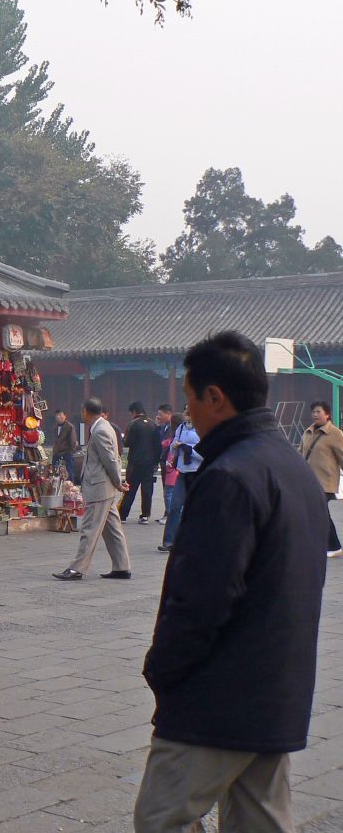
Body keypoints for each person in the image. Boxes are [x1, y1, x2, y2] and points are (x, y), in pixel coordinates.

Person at [134, 331, 329, 832]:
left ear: (215, 397)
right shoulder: (291, 467)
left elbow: (201, 598)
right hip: (277, 690)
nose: (188, 414)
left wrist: (164, 668)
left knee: (163, 818)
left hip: (217, 698)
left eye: (190, 399)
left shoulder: (230, 475)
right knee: (259, 821)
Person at [54, 397, 131, 581]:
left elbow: (110, 460)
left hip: (100, 487)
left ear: (86, 412)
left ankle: (77, 568)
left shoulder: (100, 430)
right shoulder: (104, 426)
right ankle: (122, 566)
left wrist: (118, 481)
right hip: (105, 487)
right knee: (112, 529)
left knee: (89, 529)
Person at [300, 400, 343, 558]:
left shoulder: (335, 434)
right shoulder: (308, 432)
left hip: (325, 482)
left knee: (321, 514)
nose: (315, 414)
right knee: (316, 513)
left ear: (327, 414)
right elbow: (300, 454)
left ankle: (334, 546)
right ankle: (326, 545)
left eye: (318, 411)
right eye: (313, 412)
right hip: (308, 481)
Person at [160, 410, 201, 553]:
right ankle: (169, 541)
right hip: (182, 472)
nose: (187, 414)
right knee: (175, 506)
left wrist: (190, 450)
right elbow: (172, 448)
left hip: (197, 472)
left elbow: (207, 453)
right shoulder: (181, 427)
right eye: (186, 411)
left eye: (189, 412)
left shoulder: (202, 427)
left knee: (197, 508)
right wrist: (175, 446)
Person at [118, 402, 159, 524]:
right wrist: (156, 462)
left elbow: (127, 442)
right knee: (147, 489)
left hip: (135, 463)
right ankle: (145, 516)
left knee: (130, 488)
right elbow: (158, 446)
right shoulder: (153, 424)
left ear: (134, 412)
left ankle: (123, 515)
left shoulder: (133, 424)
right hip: (149, 463)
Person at [153, 404, 178, 523]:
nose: (159, 417)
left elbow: (167, 443)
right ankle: (167, 513)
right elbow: (158, 441)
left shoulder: (174, 428)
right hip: (164, 461)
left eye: (161, 415)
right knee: (166, 490)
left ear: (168, 414)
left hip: (170, 463)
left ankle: (170, 515)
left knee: (169, 491)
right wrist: (158, 426)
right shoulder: (164, 427)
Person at [51, 409, 77, 481]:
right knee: (55, 471)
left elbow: (73, 441)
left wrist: (70, 452)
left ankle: (70, 487)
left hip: (67, 453)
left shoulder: (70, 427)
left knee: (69, 471)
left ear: (65, 416)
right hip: (56, 453)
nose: (59, 417)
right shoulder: (55, 427)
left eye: (60, 415)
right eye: (57, 415)